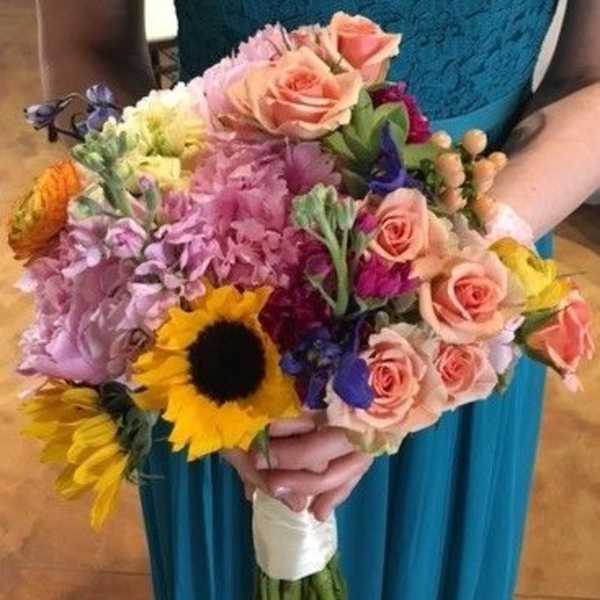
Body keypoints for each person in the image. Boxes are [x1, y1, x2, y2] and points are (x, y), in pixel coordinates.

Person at [35, 1, 600, 598]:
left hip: (477, 269)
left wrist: (437, 298)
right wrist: (178, 260)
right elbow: (87, 46)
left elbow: (589, 80)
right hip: (211, 290)